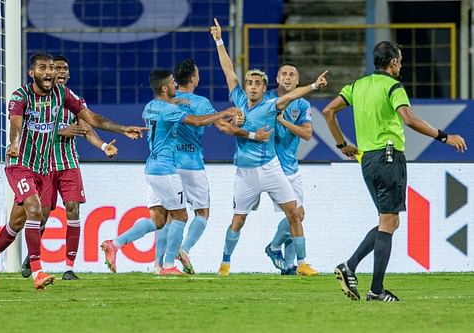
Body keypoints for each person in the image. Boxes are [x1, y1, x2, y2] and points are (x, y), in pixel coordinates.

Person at [0, 53, 145, 290]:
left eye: (52, 68)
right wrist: (14, 143)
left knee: (16, 223)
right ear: (32, 73)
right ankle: (38, 273)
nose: (49, 72)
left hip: (44, 168)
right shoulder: (20, 96)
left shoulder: (62, 94)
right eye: (43, 68)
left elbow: (91, 118)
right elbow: (16, 123)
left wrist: (122, 128)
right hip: (20, 164)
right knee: (34, 210)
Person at [322, 41, 467, 302]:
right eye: (400, 60)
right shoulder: (393, 87)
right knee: (389, 222)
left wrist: (342, 145)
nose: (401, 64)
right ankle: (373, 287)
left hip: (366, 160)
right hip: (389, 157)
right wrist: (445, 137)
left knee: (388, 221)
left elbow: (328, 111)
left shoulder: (357, 86)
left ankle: (353, 269)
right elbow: (409, 119)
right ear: (393, 63)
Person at [210, 18, 326, 276]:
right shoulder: (238, 99)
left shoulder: (271, 105)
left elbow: (292, 96)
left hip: (271, 169)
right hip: (245, 172)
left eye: (256, 84)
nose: (251, 87)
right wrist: (219, 40)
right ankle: (225, 263)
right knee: (238, 220)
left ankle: (302, 263)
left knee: (294, 213)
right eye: (249, 83)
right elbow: (228, 70)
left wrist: (314, 86)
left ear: (264, 89)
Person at [100, 68, 240, 275]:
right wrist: (226, 112)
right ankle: (167, 266)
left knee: (158, 220)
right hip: (166, 170)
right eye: (173, 83)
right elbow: (198, 121)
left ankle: (115, 244)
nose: (176, 85)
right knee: (181, 216)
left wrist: (173, 102)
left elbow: (161, 111)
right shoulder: (169, 110)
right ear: (165, 88)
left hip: (151, 168)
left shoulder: (149, 108)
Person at [20, 55, 118, 280]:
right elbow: (28, 130)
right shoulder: (36, 99)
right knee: (42, 215)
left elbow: (87, 128)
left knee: (73, 208)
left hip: (68, 163)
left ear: (68, 74)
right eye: (57, 68)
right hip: (43, 165)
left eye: (65, 69)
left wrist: (104, 146)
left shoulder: (72, 100)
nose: (61, 72)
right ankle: (33, 257)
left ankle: (68, 267)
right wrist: (58, 132)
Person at [263, 62, 320, 275]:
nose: (287, 77)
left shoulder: (302, 105)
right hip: (271, 167)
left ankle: (287, 265)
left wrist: (283, 122)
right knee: (295, 213)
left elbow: (306, 134)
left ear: (297, 81)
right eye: (284, 74)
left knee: (296, 216)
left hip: (291, 167)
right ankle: (276, 249)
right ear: (277, 78)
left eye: (292, 75)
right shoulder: (266, 100)